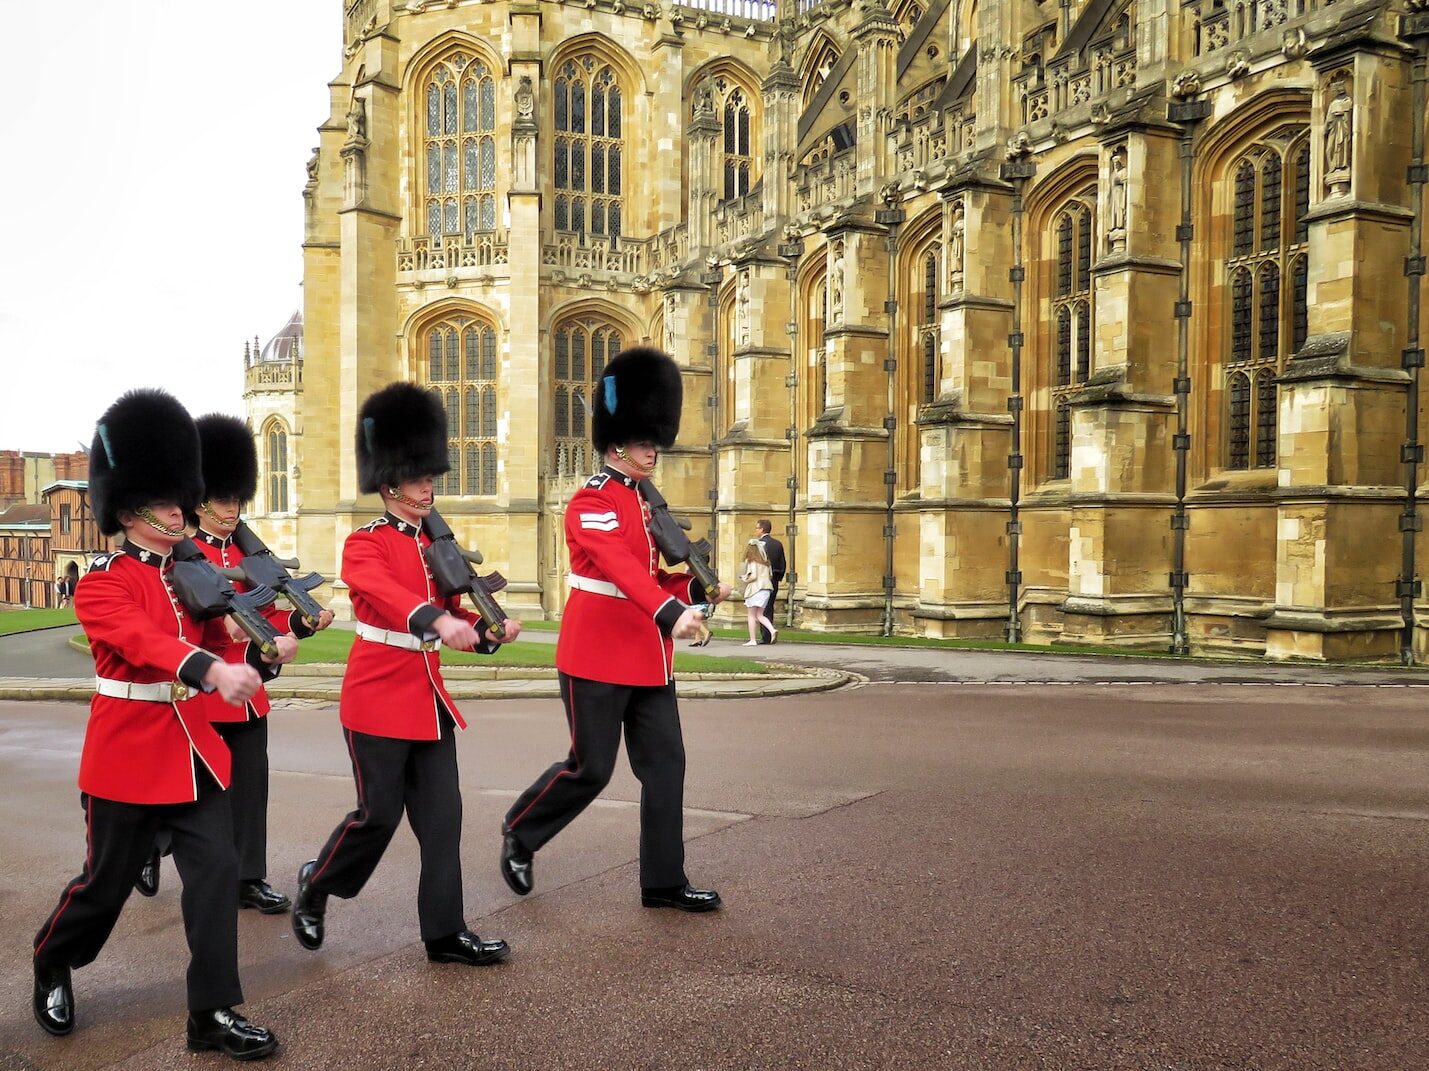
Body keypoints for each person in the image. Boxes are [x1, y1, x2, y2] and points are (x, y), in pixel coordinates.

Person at [31, 388, 289, 1061]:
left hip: (193, 755)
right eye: (170, 500)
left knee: (214, 875)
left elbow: (228, 635)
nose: (183, 508)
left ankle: (211, 1011)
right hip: (126, 761)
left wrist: (264, 644)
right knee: (103, 889)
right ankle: (53, 958)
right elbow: (147, 643)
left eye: (184, 497)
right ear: (130, 508)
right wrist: (208, 665)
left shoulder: (190, 577)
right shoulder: (102, 583)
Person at [291, 382, 520, 967]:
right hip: (378, 696)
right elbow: (386, 596)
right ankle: (318, 884)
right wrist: (440, 620)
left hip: (429, 699)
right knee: (378, 817)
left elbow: (457, 616)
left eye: (431, 477)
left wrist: (488, 632)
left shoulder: (438, 547)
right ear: (390, 483)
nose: (429, 486)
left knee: (444, 824)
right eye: (419, 478)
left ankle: (445, 934)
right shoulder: (363, 542)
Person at [500, 347, 732, 912]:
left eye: (655, 442)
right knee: (591, 767)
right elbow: (621, 572)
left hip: (649, 660)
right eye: (644, 442)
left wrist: (698, 592)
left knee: (666, 769)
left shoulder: (650, 507)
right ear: (615, 445)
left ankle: (663, 881)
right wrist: (672, 613)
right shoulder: (590, 501)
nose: (653, 451)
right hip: (596, 656)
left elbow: (656, 577)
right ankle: (521, 832)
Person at [186, 413, 335, 913]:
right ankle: (150, 848)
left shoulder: (251, 558)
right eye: (223, 500)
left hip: (249, 697)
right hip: (206, 696)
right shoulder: (185, 558)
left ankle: (248, 877)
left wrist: (302, 624)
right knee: (192, 796)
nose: (232, 509)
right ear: (200, 501)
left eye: (235, 499)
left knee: (250, 792)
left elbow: (271, 619)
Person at [739, 539, 777, 647]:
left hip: (756, 589)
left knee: (751, 615)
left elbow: (753, 576)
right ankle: (772, 630)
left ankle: (752, 640)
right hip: (767, 589)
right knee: (760, 614)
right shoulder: (766, 562)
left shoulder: (752, 561)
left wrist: (744, 578)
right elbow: (770, 575)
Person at [753, 519, 785, 644]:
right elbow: (783, 563)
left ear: (762, 529)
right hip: (774, 580)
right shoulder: (777, 544)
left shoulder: (758, 545)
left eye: (757, 528)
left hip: (761, 580)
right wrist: (778, 577)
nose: (756, 531)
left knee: (761, 608)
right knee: (769, 606)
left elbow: (755, 564)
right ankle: (769, 634)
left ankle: (766, 636)